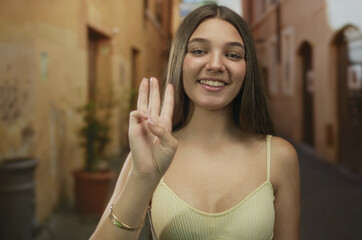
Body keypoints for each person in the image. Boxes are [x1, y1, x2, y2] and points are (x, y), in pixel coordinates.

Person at [91, 4, 300, 240]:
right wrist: (143, 178)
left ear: (247, 69)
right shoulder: (149, 154)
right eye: (199, 51)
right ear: (179, 60)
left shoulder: (280, 158)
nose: (215, 65)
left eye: (233, 55)